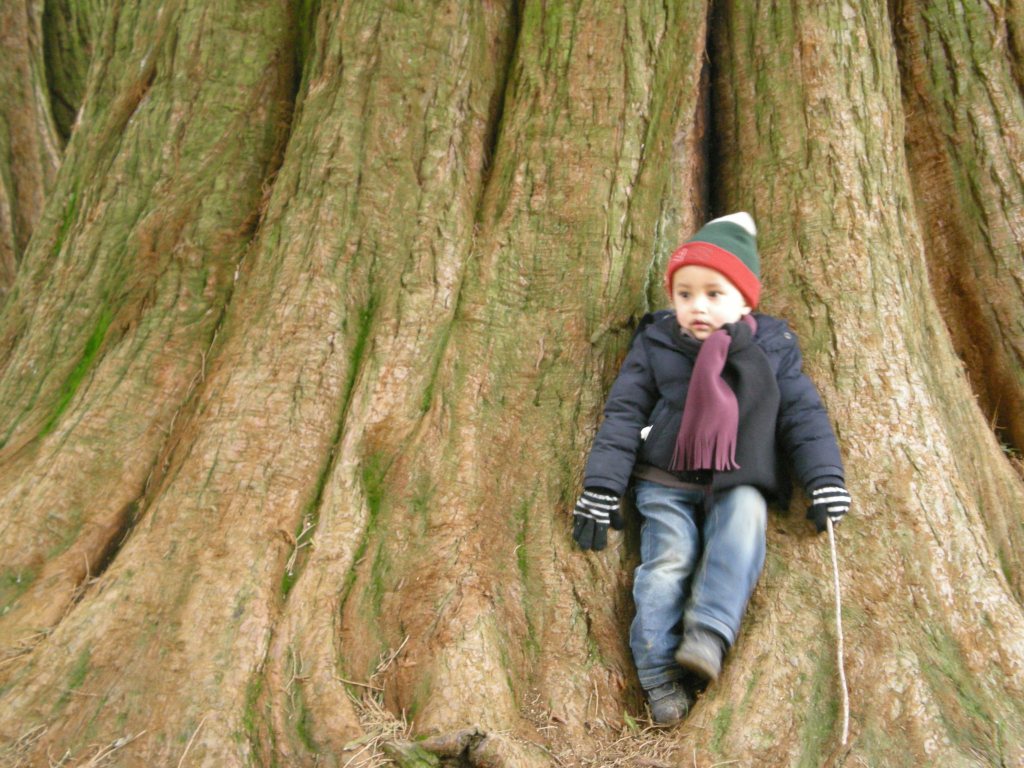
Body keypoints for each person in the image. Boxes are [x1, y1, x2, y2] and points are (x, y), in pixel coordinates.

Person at [571, 212, 851, 725]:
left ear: (745, 301)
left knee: (742, 529)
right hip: (666, 480)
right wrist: (602, 487)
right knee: (667, 562)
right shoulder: (658, 342)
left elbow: (802, 416)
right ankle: (658, 674)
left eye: (713, 294)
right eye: (685, 294)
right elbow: (624, 414)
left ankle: (708, 632)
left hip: (739, 475)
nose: (697, 306)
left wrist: (825, 480)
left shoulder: (772, 347)